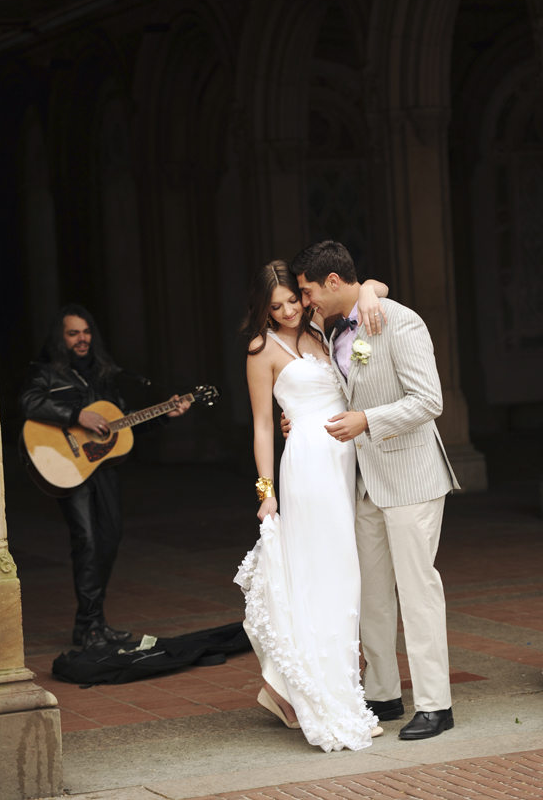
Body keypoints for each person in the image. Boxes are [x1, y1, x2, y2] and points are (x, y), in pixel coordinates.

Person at [290, 240, 459, 741]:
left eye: (307, 291)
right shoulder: (329, 326)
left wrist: (368, 420)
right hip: (363, 484)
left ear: (334, 282)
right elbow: (343, 389)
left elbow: (429, 401)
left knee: (416, 590)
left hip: (410, 477)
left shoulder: (399, 320)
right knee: (372, 595)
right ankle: (383, 693)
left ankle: (436, 704)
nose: (305, 303)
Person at [234, 261, 387, 752]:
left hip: (347, 462)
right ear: (263, 308)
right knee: (328, 577)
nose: (286, 312)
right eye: (274, 306)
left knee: (348, 577)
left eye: (292, 301)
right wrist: (266, 491)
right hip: (308, 468)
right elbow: (262, 425)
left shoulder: (323, 332)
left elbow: (376, 288)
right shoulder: (261, 351)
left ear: (305, 297)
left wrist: (367, 294)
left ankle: (283, 687)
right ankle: (332, 697)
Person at [18, 304, 190, 651]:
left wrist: (165, 415)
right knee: (87, 540)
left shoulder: (105, 373)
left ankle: (92, 624)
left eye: (86, 332)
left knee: (109, 538)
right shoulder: (46, 372)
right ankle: (90, 627)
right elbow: (28, 403)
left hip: (103, 468)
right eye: (73, 333)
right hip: (68, 466)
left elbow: (122, 427)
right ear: (61, 337)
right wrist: (76, 415)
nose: (81, 339)